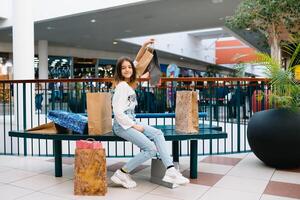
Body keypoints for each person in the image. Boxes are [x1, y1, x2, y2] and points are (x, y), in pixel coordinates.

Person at [110, 39, 189, 189]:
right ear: (119, 71)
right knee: (151, 149)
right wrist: (134, 126)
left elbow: (137, 61)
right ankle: (122, 172)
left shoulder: (128, 82)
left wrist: (144, 46)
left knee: (158, 134)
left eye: (129, 67)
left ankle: (171, 170)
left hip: (130, 121)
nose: (127, 69)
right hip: (123, 125)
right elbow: (118, 112)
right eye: (123, 68)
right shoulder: (121, 87)